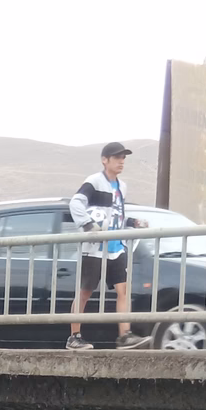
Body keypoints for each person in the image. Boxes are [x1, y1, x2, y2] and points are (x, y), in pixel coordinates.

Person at [68, 142, 147, 350]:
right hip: (94, 248)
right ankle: (74, 337)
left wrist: (132, 223)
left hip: (115, 247)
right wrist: (88, 225)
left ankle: (124, 336)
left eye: (123, 158)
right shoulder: (94, 182)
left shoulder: (122, 186)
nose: (121, 162)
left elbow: (116, 215)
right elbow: (75, 203)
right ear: (105, 160)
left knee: (123, 290)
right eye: (117, 157)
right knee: (85, 291)